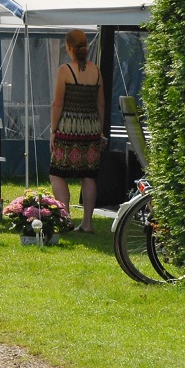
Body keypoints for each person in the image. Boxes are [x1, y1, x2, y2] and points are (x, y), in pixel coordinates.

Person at [49, 29, 106, 233]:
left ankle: (65, 219)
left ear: (69, 47)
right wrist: (98, 130)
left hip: (68, 127)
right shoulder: (96, 71)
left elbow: (58, 104)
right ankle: (88, 223)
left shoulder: (65, 69)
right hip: (91, 128)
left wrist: (53, 130)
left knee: (57, 174)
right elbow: (101, 104)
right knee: (88, 175)